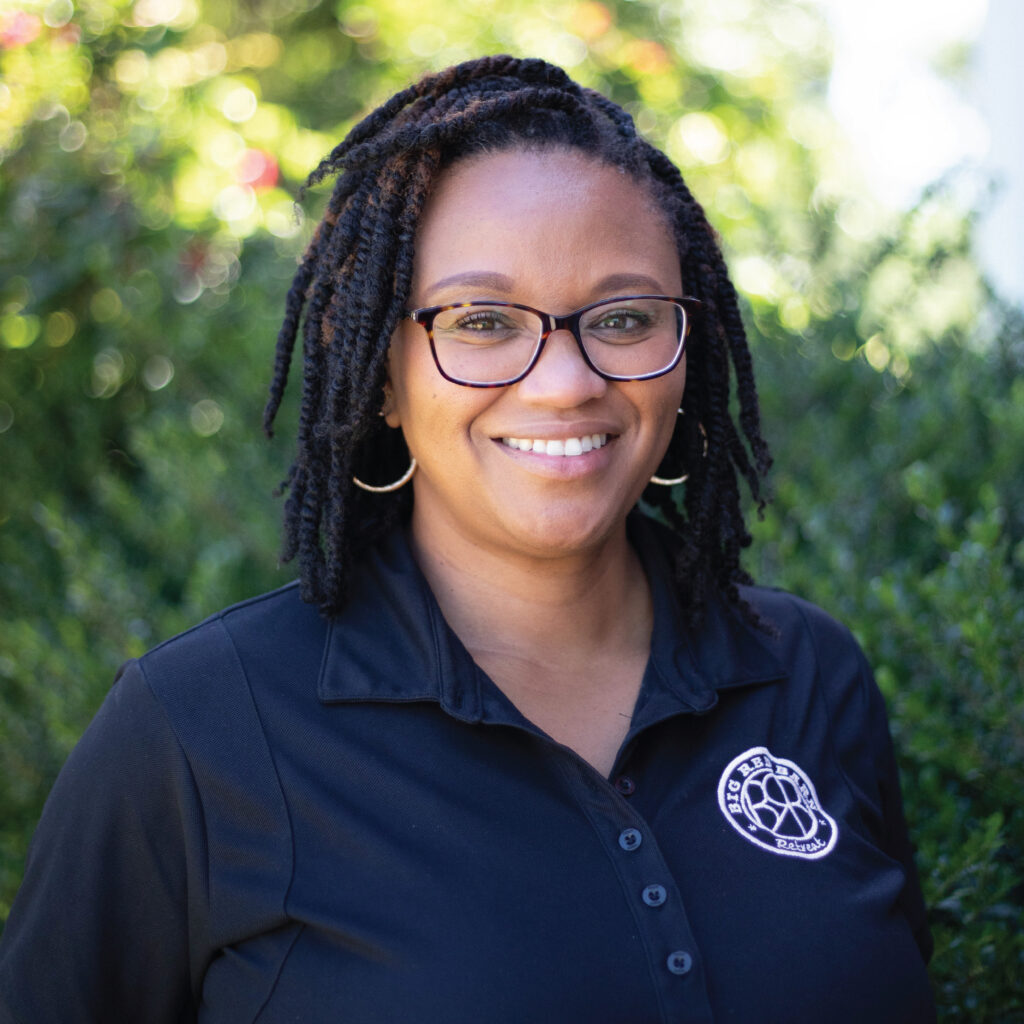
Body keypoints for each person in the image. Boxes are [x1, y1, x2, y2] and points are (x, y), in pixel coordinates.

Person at [0, 55, 935, 1022]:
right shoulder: (200, 730)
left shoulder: (807, 677)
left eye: (621, 317)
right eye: (484, 321)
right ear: (381, 376)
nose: (565, 381)